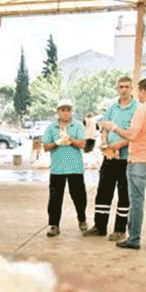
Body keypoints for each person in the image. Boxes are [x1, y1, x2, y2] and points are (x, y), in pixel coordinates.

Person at [99, 78, 146, 251]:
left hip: (139, 161)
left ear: (143, 91)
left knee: (137, 202)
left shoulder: (142, 110)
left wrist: (114, 126)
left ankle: (134, 239)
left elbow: (132, 135)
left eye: (138, 91)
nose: (137, 95)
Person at [83, 77, 138, 241]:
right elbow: (105, 127)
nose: (124, 89)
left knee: (124, 194)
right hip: (109, 157)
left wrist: (119, 145)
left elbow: (137, 134)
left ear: (132, 88)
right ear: (117, 89)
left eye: (127, 86)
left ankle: (120, 229)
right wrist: (105, 143)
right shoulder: (112, 108)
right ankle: (99, 226)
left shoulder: (137, 109)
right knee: (103, 192)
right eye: (121, 86)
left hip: (127, 159)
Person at [42, 99, 89, 237]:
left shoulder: (78, 125)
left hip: (75, 168)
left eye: (68, 110)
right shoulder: (51, 128)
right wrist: (57, 142)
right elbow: (45, 146)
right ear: (58, 112)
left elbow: (83, 144)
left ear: (71, 111)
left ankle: (82, 219)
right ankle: (54, 225)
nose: (66, 113)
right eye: (63, 110)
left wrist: (70, 139)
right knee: (55, 198)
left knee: (79, 197)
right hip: (58, 169)